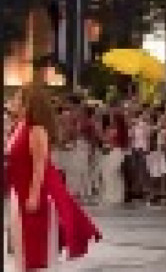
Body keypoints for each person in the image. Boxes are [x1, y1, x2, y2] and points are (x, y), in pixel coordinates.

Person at [4, 84, 101, 271]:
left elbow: (40, 165)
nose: (13, 101)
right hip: (18, 190)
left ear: (28, 103)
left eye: (17, 98)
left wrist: (33, 196)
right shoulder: (19, 126)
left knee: (35, 245)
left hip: (33, 193)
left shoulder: (36, 129)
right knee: (20, 243)